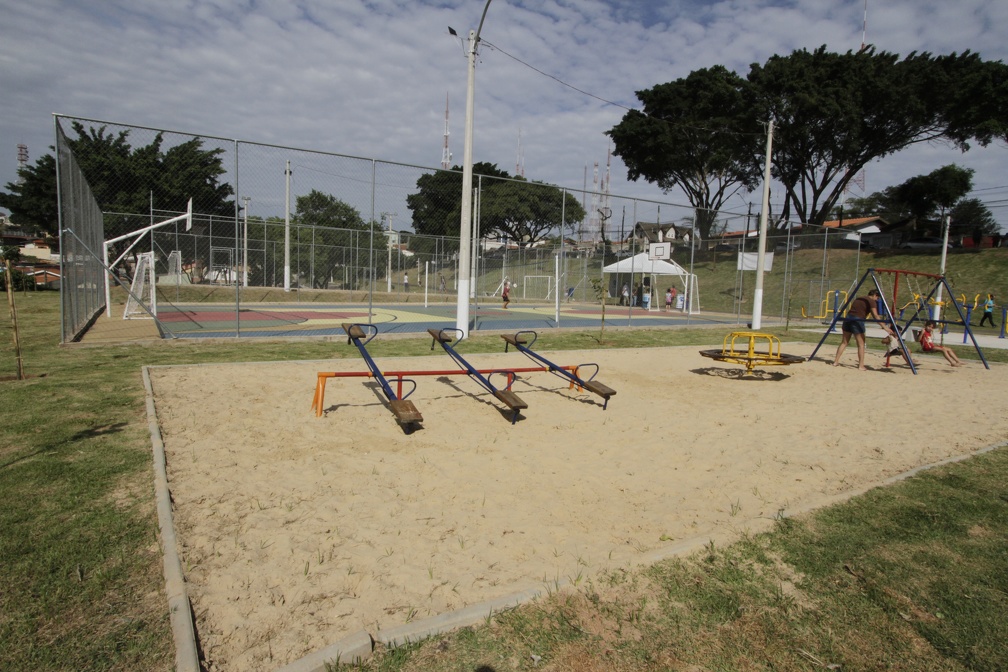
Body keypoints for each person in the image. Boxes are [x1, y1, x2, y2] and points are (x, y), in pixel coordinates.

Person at [833, 289, 893, 371]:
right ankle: (861, 366)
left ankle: (835, 361)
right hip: (857, 321)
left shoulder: (859, 298)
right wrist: (885, 327)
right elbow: (875, 316)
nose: (877, 300)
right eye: (877, 298)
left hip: (848, 319)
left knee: (844, 342)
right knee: (861, 344)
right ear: (875, 295)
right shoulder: (871, 301)